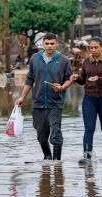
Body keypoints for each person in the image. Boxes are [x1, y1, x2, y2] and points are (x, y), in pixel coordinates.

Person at [15, 32, 73, 165]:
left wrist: (62, 87)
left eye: (52, 43)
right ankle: (47, 156)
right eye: (46, 43)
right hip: (38, 102)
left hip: (55, 102)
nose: (49, 46)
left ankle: (57, 162)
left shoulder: (64, 60)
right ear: (42, 44)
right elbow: (30, 79)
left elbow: (69, 79)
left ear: (56, 44)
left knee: (56, 132)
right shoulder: (35, 58)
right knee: (41, 135)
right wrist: (22, 97)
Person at [70, 36, 102, 165]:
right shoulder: (86, 62)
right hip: (89, 100)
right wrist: (76, 78)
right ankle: (87, 156)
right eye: (91, 48)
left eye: (96, 47)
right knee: (89, 128)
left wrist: (99, 79)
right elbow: (83, 80)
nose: (93, 50)